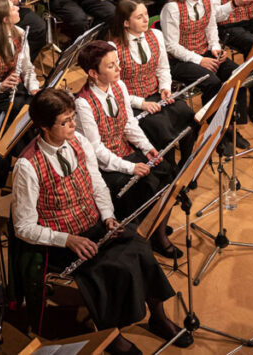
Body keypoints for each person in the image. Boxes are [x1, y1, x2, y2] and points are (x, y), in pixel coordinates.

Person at [12, 88, 191, 353]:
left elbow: (96, 185)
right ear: (43, 127)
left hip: (94, 225)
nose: (74, 125)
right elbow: (23, 227)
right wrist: (68, 240)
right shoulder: (26, 166)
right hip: (61, 242)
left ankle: (158, 316)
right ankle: (112, 336)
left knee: (140, 248)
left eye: (73, 118)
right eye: (65, 122)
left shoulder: (79, 141)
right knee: (107, 268)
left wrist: (108, 216)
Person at [73, 42, 180, 260]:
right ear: (93, 73)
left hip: (125, 151)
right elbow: (96, 150)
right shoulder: (83, 103)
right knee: (146, 186)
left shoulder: (118, 86)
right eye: (111, 66)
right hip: (108, 166)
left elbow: (129, 124)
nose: (118, 69)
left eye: (117, 63)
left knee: (168, 173)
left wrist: (147, 147)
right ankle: (154, 236)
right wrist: (130, 167)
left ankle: (156, 224)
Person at [160, 0, 250, 145]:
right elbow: (171, 46)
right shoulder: (172, 8)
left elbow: (211, 28)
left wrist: (216, 48)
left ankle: (230, 124)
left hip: (204, 52)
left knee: (237, 74)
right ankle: (216, 130)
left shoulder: (206, 0)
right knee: (213, 83)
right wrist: (200, 60)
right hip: (180, 60)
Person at [107, 0, 196, 163]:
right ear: (126, 23)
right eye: (139, 17)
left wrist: (165, 88)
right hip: (133, 102)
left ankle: (185, 164)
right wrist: (142, 104)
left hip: (156, 94)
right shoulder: (113, 48)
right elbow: (114, 89)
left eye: (146, 14)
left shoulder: (156, 35)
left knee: (188, 115)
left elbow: (162, 68)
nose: (146, 19)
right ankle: (169, 175)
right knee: (162, 130)